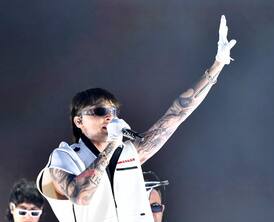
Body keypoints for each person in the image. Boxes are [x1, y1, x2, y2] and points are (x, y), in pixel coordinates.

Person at [36, 15, 236, 222]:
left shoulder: (129, 152)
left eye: (113, 113)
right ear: (79, 122)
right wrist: (113, 144)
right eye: (99, 111)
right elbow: (80, 195)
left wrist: (217, 65)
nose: (109, 117)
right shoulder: (65, 156)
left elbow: (176, 114)